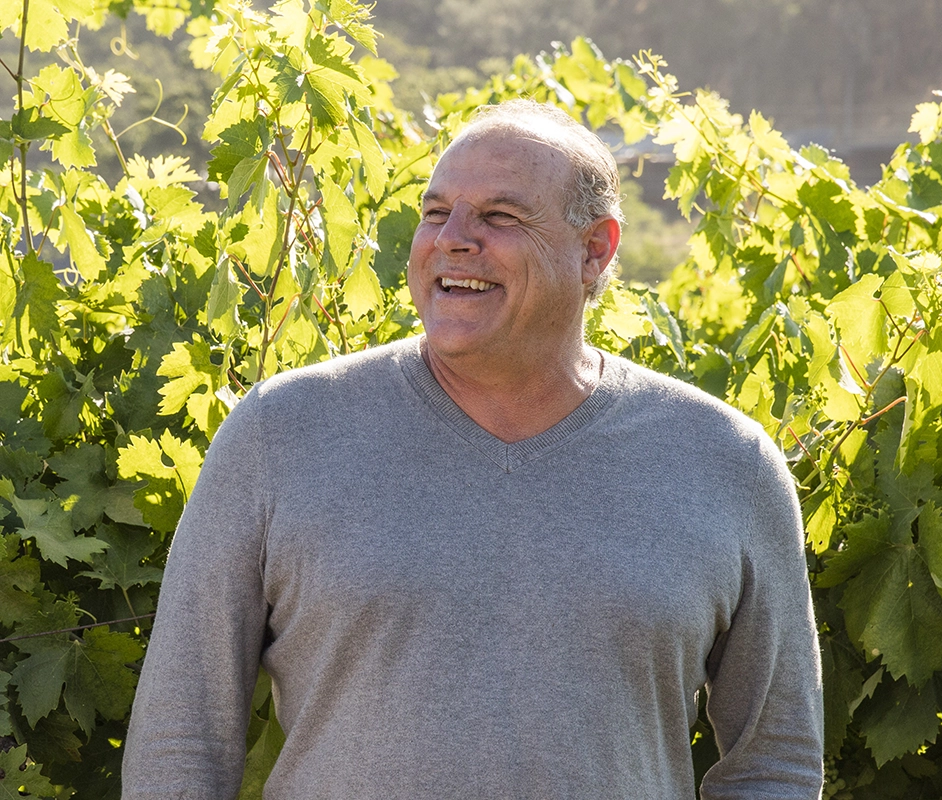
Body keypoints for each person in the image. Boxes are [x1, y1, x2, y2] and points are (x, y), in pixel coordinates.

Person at [122, 99, 823, 799]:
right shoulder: (280, 434)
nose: (453, 239)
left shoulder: (726, 463)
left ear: (595, 249)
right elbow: (179, 743)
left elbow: (777, 764)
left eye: (499, 217)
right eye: (436, 213)